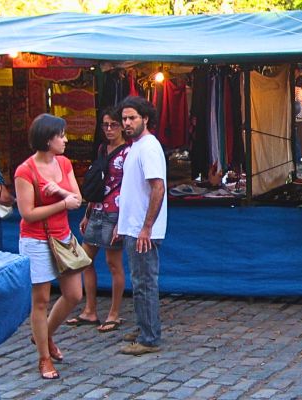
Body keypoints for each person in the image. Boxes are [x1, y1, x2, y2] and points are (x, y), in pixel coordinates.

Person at [14, 113, 84, 380]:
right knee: (41, 300)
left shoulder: (64, 163)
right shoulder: (25, 170)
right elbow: (27, 213)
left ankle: (45, 335)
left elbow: (77, 198)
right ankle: (44, 357)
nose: (66, 140)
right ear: (47, 139)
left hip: (63, 237)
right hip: (36, 239)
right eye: (61, 135)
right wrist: (60, 203)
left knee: (74, 294)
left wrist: (62, 193)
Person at [66, 107, 129, 332]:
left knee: (114, 263)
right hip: (98, 209)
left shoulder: (128, 152)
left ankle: (114, 313)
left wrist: (123, 222)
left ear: (122, 126)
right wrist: (88, 212)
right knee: (86, 260)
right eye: (105, 125)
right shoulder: (103, 148)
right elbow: (98, 183)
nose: (109, 129)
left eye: (114, 125)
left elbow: (129, 188)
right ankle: (90, 310)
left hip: (115, 212)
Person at [115, 96, 167, 355]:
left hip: (143, 230)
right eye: (124, 118)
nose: (127, 123)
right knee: (139, 281)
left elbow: (158, 187)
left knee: (145, 282)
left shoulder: (148, 147)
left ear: (145, 118)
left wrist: (146, 227)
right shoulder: (136, 146)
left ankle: (149, 337)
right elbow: (132, 190)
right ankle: (145, 326)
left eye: (132, 118)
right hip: (133, 227)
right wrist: (123, 224)